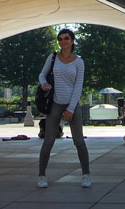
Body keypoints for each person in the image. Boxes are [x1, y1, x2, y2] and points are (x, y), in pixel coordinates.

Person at [36, 29, 91, 188]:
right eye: (60, 39)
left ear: (72, 41)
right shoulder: (53, 58)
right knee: (48, 141)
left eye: (66, 38)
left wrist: (71, 109)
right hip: (55, 103)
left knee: (79, 141)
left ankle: (86, 175)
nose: (63, 42)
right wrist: (43, 83)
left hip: (72, 104)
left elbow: (78, 86)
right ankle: (41, 175)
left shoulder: (78, 61)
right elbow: (42, 74)